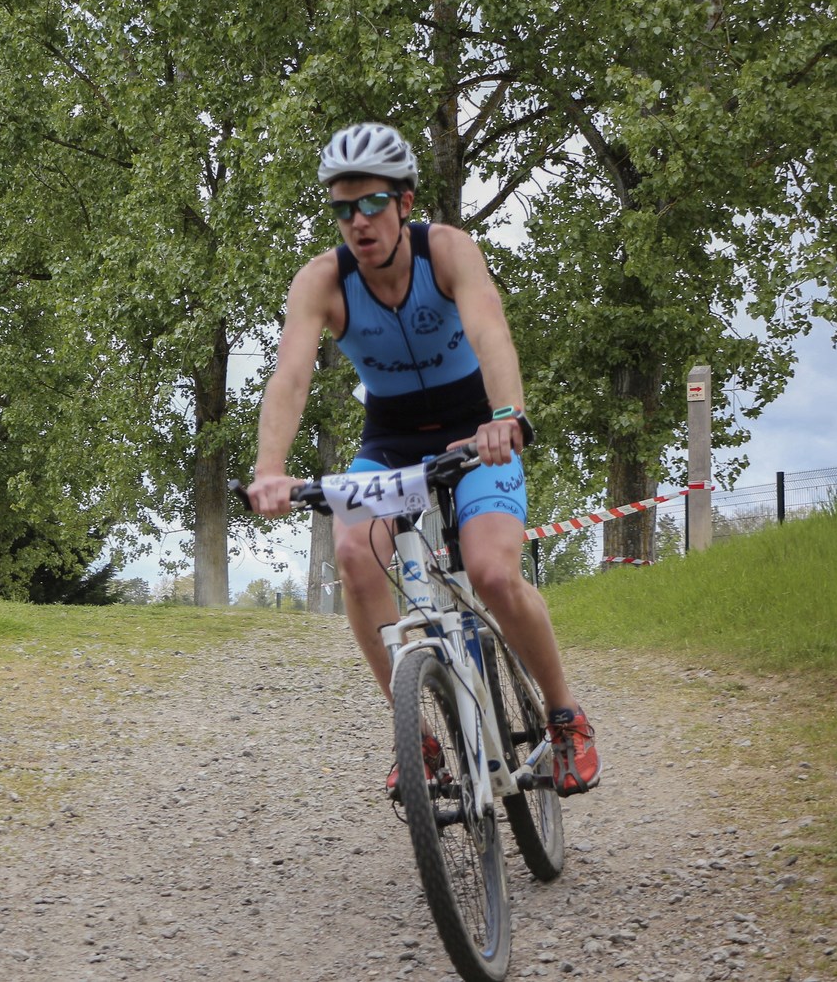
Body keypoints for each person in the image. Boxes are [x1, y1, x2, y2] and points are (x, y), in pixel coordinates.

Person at [244, 122, 600, 797]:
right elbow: (289, 377)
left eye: (373, 203)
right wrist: (270, 469)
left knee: (492, 573)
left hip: (475, 430)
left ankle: (565, 717)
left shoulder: (447, 251)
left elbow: (490, 330)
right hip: (391, 439)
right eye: (343, 209)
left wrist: (505, 415)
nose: (358, 221)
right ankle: (420, 736)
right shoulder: (322, 281)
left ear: (405, 202)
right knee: (354, 554)